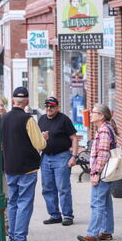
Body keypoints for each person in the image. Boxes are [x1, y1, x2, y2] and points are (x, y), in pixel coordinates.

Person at [1, 87, 46, 241]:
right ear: (26, 101)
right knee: (25, 203)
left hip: (10, 167)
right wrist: (43, 137)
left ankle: (12, 237)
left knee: (13, 202)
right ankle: (20, 239)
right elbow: (40, 144)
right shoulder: (28, 119)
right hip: (27, 168)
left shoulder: (3, 118)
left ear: (13, 100)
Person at [76, 103, 117, 241]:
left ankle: (92, 234)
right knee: (105, 202)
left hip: (102, 172)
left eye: (93, 112)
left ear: (101, 116)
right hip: (105, 172)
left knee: (97, 203)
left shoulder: (104, 131)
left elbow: (103, 154)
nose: (90, 114)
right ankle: (106, 231)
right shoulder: (105, 129)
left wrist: (96, 173)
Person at [37, 96, 78, 226]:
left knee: (63, 188)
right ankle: (54, 215)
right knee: (47, 188)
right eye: (47, 106)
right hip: (46, 157)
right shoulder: (42, 119)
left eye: (52, 106)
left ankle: (67, 215)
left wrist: (74, 156)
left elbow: (74, 138)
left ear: (57, 107)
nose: (49, 108)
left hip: (62, 157)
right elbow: (38, 139)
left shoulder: (64, 119)